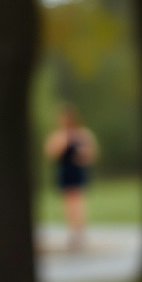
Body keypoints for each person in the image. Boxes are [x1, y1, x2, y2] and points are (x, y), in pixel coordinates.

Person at [44, 104, 99, 251]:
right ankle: (72, 231)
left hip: (77, 170)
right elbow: (51, 153)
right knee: (68, 201)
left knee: (79, 200)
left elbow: (91, 153)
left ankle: (80, 231)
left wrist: (83, 155)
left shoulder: (82, 134)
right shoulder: (59, 135)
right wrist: (63, 140)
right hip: (65, 170)